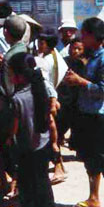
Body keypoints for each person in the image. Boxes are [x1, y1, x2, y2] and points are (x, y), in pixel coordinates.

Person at [64, 17, 104, 207]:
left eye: (84, 35)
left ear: (93, 37)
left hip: (100, 116)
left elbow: (103, 90)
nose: (81, 38)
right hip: (86, 113)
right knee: (89, 157)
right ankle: (93, 197)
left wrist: (80, 81)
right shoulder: (90, 56)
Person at [7, 52, 61, 207]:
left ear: (19, 75)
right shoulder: (40, 90)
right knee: (42, 185)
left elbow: (14, 130)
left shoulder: (17, 99)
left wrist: (7, 143)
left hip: (27, 150)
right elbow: (50, 119)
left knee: (28, 192)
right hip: (42, 145)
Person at [38, 30, 69, 185]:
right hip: (58, 98)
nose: (38, 45)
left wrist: (52, 99)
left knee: (52, 137)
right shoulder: (56, 55)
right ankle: (59, 166)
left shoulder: (44, 61)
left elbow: (47, 84)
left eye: (41, 43)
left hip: (50, 101)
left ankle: (59, 168)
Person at [57, 37, 86, 149]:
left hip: (78, 101)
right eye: (74, 48)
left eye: (79, 49)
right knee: (60, 127)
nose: (76, 51)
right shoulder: (63, 62)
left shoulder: (85, 64)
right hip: (64, 100)